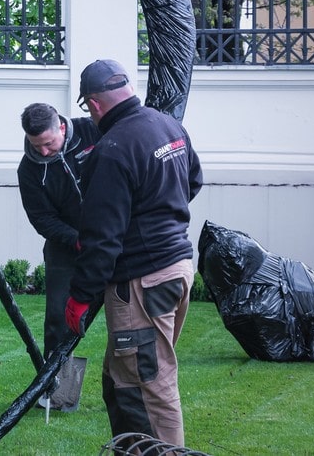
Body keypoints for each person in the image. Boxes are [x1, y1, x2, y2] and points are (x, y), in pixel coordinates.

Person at [64, 59, 202, 447]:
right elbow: (193, 181)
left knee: (150, 385)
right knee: (119, 378)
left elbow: (101, 240)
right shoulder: (168, 126)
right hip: (177, 270)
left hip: (142, 283)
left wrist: (79, 297)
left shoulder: (111, 150)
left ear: (93, 104)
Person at [17, 102, 100, 408]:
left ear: (61, 128)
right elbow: (42, 219)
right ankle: (59, 393)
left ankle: (129, 387)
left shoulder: (94, 131)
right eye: (36, 145)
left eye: (49, 143)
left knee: (125, 314)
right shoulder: (28, 170)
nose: (43, 152)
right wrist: (75, 240)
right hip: (65, 249)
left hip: (112, 241)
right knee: (58, 317)